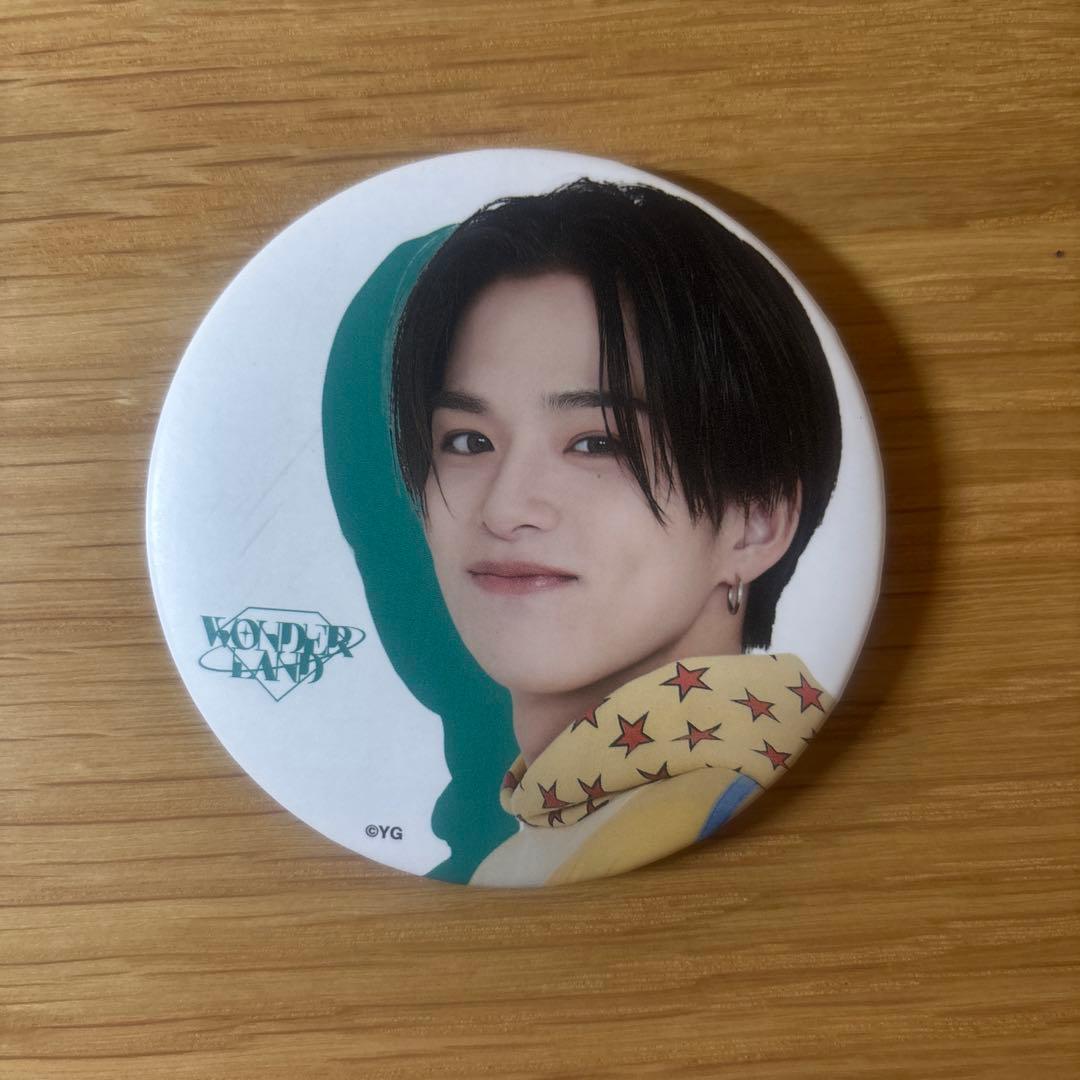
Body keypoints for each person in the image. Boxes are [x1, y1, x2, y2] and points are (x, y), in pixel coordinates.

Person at [389, 178, 842, 886]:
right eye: (469, 441)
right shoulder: (546, 838)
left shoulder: (724, 815)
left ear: (756, 521)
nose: (505, 509)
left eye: (596, 443)